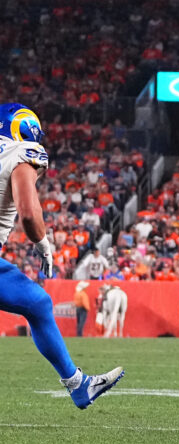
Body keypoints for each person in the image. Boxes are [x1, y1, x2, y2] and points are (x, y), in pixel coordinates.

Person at [0, 103, 123, 408]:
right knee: (37, 302)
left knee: (37, 302)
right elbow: (28, 213)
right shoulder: (20, 153)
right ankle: (78, 385)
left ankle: (78, 384)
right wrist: (43, 243)